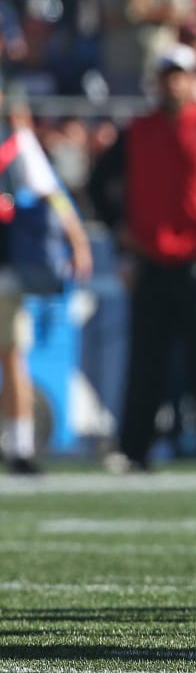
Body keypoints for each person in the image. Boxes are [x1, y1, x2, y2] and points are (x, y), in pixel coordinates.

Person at [88, 44, 196, 473]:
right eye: (166, 75)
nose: (173, 83)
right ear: (157, 81)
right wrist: (118, 229)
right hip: (150, 258)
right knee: (146, 360)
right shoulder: (136, 132)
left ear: (191, 79)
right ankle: (136, 450)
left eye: (179, 74)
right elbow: (97, 183)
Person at [0, 82, 92, 474]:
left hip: (4, 268)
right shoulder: (15, 144)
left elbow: (49, 192)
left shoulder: (15, 146)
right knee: (11, 355)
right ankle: (17, 444)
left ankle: (19, 443)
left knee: (12, 354)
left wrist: (77, 242)